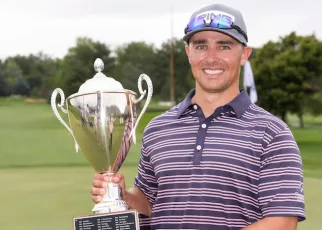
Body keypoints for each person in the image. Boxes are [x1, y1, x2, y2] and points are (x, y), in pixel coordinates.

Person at [91, 3, 305, 229]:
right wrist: (123, 196)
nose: (211, 58)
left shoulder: (272, 133)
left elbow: (283, 222)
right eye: (201, 46)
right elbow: (149, 204)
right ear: (188, 52)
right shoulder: (158, 128)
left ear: (245, 54)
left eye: (224, 46)